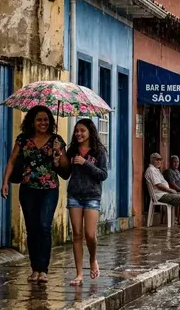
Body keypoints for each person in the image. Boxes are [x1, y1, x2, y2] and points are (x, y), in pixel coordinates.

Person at [0, 105, 68, 284]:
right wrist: (5, 182)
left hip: (49, 189)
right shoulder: (23, 139)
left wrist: (58, 153)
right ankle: (34, 268)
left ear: (50, 121)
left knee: (44, 226)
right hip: (28, 189)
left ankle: (43, 269)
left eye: (46, 120)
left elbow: (66, 169)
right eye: (39, 119)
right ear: (32, 121)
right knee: (32, 228)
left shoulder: (56, 140)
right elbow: (12, 161)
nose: (43, 123)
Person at [65, 119, 108, 286]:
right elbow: (65, 172)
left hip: (92, 196)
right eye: (76, 131)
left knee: (90, 235)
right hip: (74, 195)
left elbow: (103, 174)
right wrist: (58, 160)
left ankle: (93, 259)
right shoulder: (72, 150)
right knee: (76, 235)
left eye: (82, 130)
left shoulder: (99, 152)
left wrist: (85, 163)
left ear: (90, 131)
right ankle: (79, 274)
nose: (78, 134)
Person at [145, 153, 180, 229]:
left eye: (160, 160)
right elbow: (159, 185)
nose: (159, 162)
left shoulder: (156, 170)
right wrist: (170, 190)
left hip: (164, 193)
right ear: (152, 160)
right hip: (160, 195)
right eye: (157, 160)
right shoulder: (151, 170)